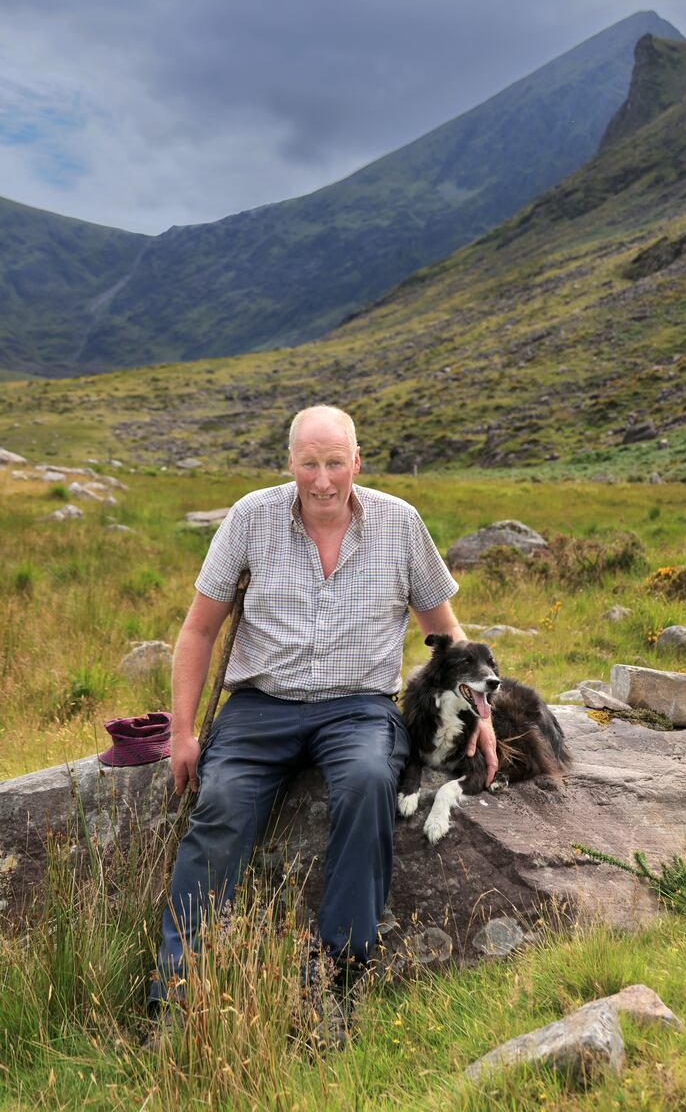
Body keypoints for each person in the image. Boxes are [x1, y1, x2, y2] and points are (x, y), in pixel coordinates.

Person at [148, 404, 497, 1023]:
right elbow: (199, 630)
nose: (323, 479)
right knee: (222, 801)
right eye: (309, 463)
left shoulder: (400, 523)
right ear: (291, 463)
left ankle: (334, 981)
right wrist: (182, 732)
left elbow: (446, 633)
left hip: (358, 709)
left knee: (368, 784)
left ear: (356, 462)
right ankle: (176, 999)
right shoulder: (250, 518)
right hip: (259, 708)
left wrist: (483, 717)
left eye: (336, 463)